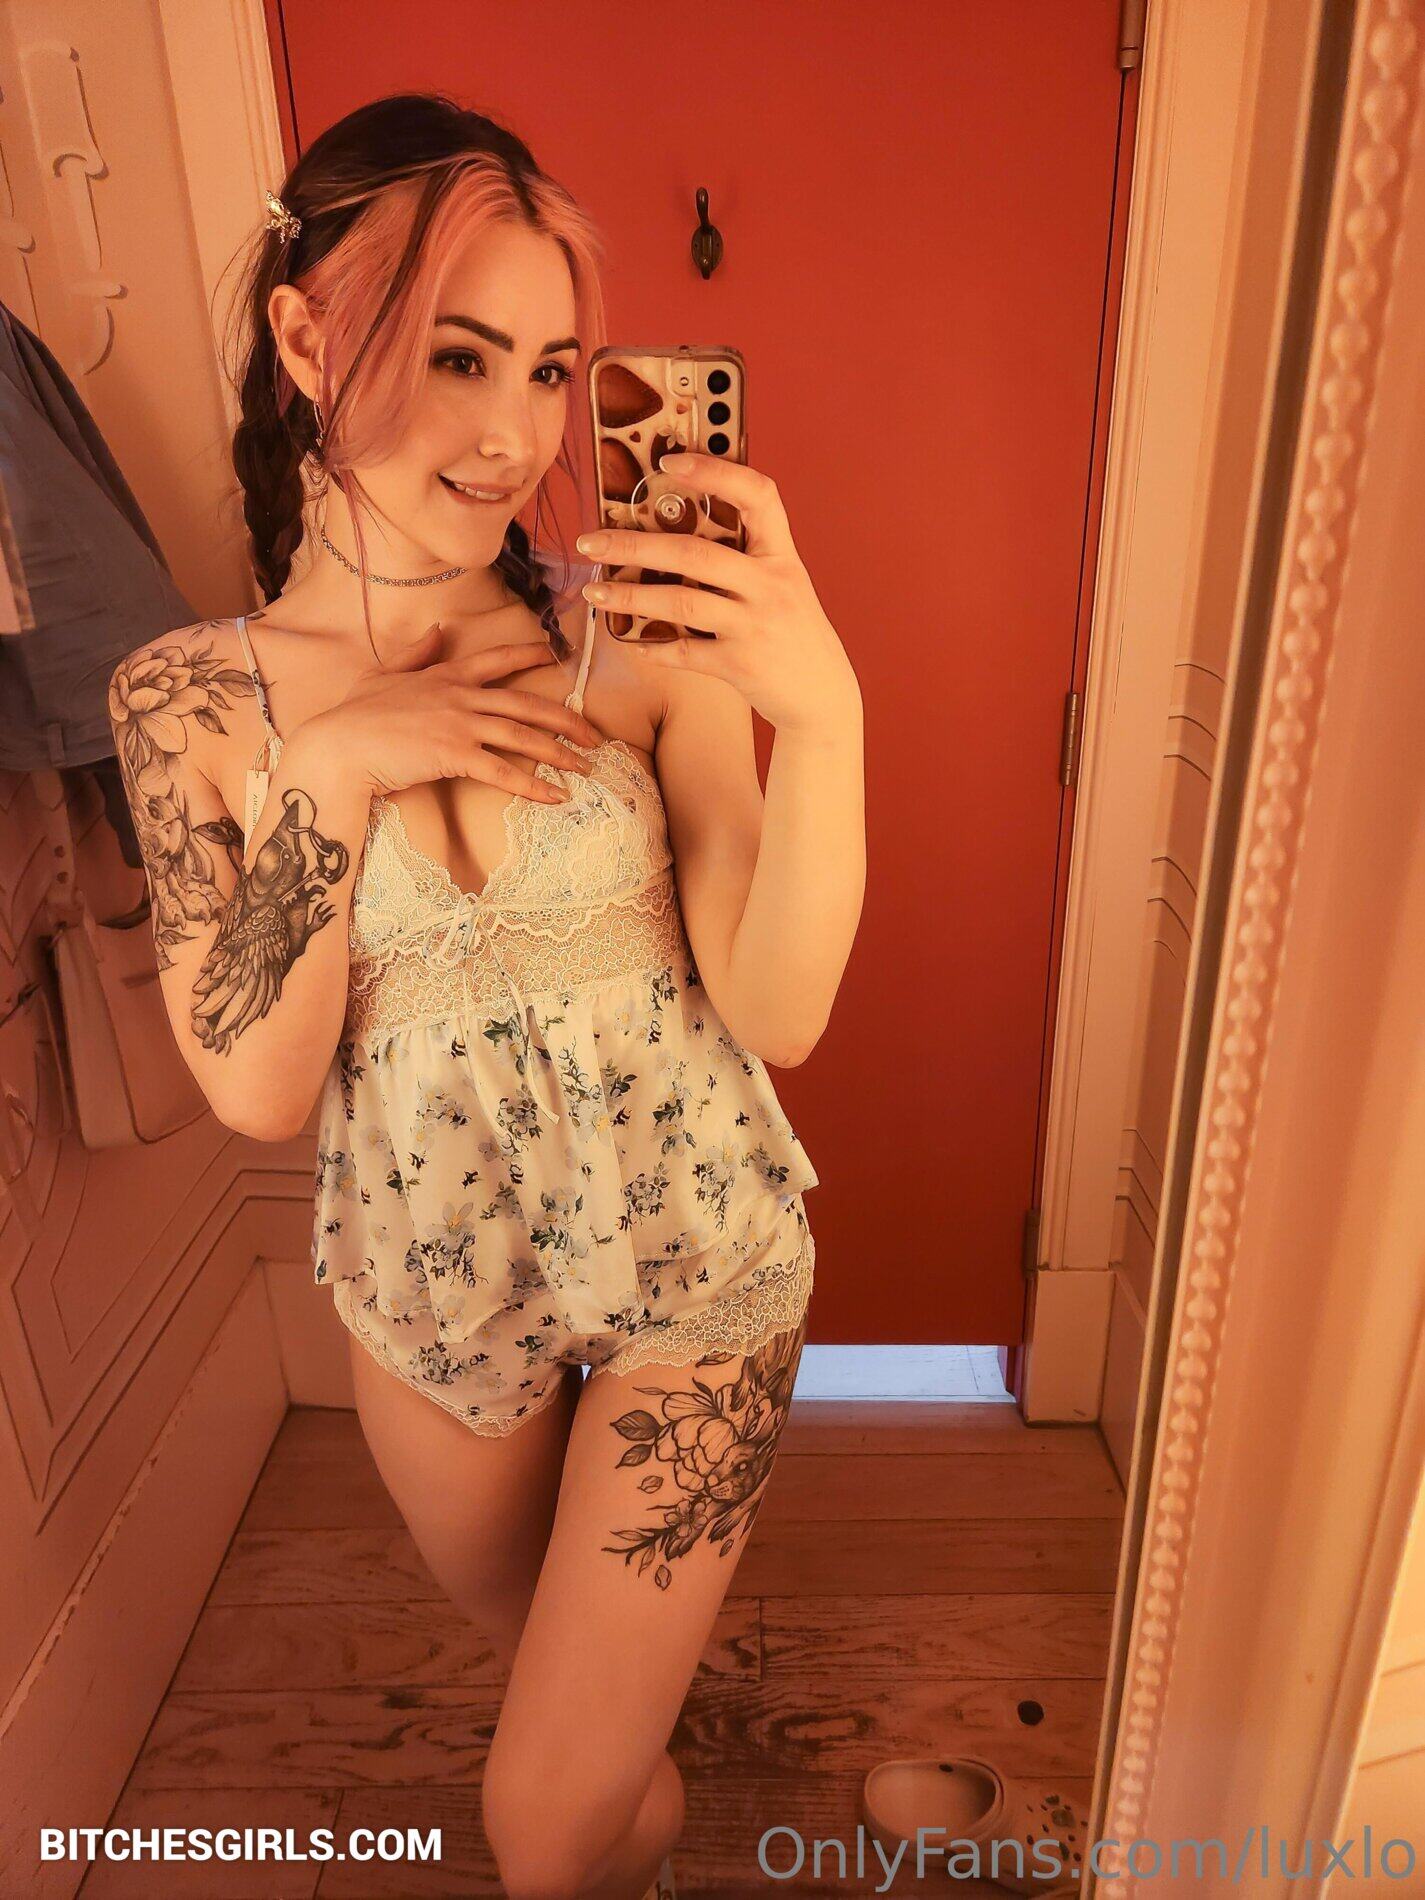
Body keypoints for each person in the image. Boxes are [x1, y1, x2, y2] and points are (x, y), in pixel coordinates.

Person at [108, 93, 865, 1900]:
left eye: (549, 369)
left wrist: (826, 715)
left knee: (534, 1818)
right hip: (433, 1299)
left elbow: (777, 1013)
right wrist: (335, 763)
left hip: (697, 1260)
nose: (520, 433)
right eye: (460, 357)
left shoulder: (637, 643)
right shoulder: (186, 703)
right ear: (308, 340)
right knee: (582, 1752)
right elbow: (257, 1090)